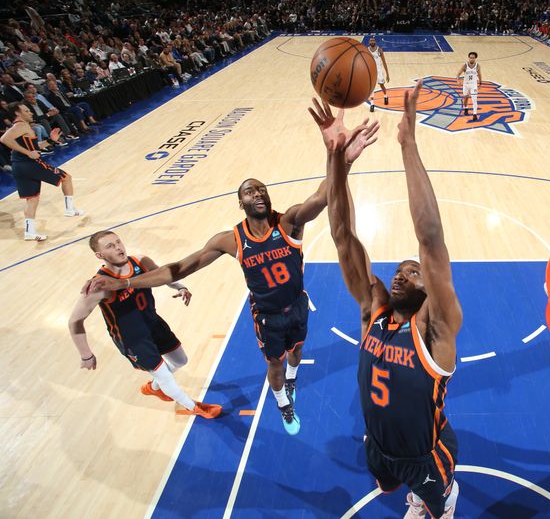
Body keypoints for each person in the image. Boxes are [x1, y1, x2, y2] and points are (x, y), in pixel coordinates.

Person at [85, 108, 379, 435]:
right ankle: (283, 401)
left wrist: (341, 157)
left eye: (260, 189)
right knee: (275, 364)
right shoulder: (230, 240)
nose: (257, 193)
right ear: (241, 203)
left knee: (297, 352)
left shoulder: (289, 222)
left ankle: (292, 383)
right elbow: (176, 269)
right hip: (266, 315)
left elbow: (324, 195)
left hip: (297, 305)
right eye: (249, 191)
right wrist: (126, 280)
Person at [319, 81, 461, 518]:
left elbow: (431, 239)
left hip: (428, 458)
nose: (402, 273)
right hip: (377, 444)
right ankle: (410, 495)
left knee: (438, 511)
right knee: (385, 489)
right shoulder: (374, 310)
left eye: (412, 271)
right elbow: (343, 237)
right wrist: (336, 162)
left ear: (427, 289)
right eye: (399, 269)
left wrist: (408, 143)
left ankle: (437, 500)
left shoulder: (435, 327)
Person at [68, 231, 221, 418]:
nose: (118, 247)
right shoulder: (98, 286)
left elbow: (164, 275)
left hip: (153, 322)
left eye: (118, 241)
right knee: (164, 375)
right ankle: (194, 407)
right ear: (99, 256)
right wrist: (86, 355)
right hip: (132, 338)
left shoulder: (140, 262)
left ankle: (154, 387)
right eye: (109, 246)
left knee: (181, 360)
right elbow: (74, 321)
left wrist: (180, 287)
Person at [0, 102, 84, 241]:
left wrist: (51, 141)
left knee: (32, 199)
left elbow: (35, 146)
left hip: (19, 167)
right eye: (26, 111)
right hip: (29, 164)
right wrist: (28, 153)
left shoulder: (22, 127)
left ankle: (29, 232)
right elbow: (4, 139)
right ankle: (70, 209)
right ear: (17, 113)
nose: (30, 112)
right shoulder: (20, 125)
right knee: (66, 177)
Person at [456, 52, 481, 122]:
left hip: (473, 85)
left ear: (475, 58)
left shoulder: (477, 66)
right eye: (470, 57)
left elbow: (479, 74)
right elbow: (458, 73)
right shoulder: (465, 65)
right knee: (466, 98)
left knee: (474, 100)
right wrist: (458, 80)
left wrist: (481, 82)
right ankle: (466, 108)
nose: (471, 59)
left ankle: (475, 114)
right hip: (466, 84)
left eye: (473, 58)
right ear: (469, 58)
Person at [367, 36, 390, 113]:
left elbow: (384, 62)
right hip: (371, 71)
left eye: (373, 40)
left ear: (375, 42)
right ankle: (372, 104)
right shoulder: (366, 50)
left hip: (379, 71)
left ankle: (385, 96)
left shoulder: (379, 50)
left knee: (382, 85)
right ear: (369, 42)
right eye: (371, 40)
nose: (372, 42)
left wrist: (387, 74)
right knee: (372, 88)